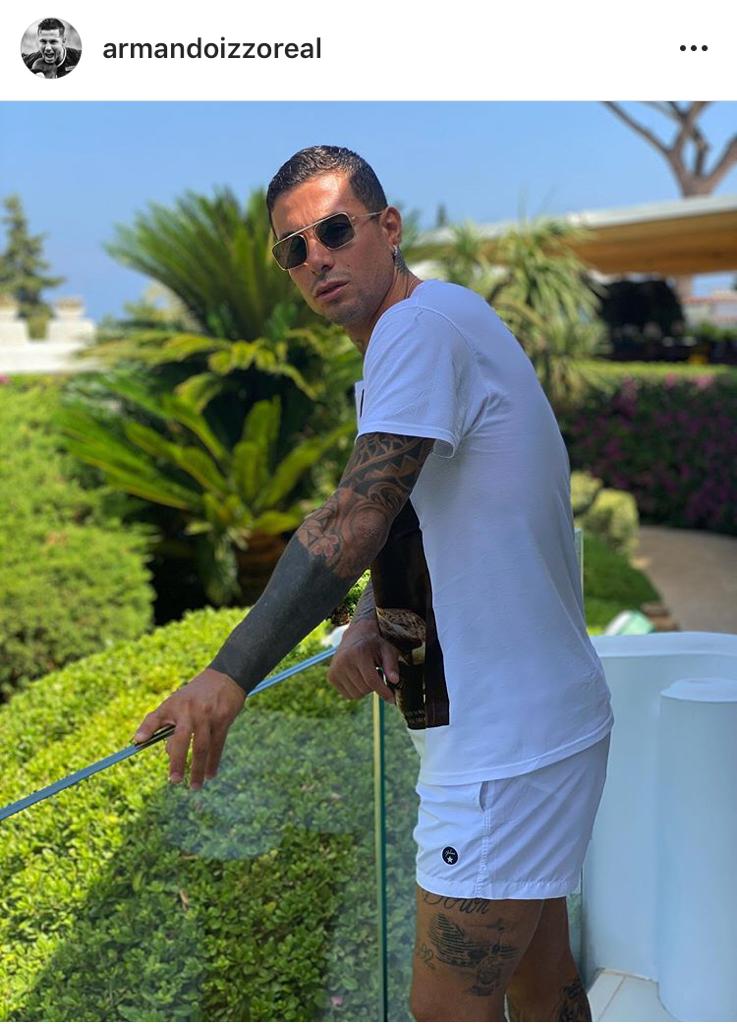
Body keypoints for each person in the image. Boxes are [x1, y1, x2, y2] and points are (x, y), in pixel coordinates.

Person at [131, 145, 614, 1021]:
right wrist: (366, 617)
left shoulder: (415, 331)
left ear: (387, 228)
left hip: (502, 749)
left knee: (444, 1009)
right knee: (541, 983)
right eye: (293, 248)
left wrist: (228, 673)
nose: (316, 257)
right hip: (533, 723)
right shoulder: (442, 318)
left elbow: (355, 518)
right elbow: (418, 513)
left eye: (335, 231)